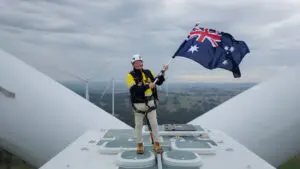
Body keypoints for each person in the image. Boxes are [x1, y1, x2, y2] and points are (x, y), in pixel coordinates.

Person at [127, 54, 168, 154]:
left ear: (142, 63)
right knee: (138, 125)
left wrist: (163, 73)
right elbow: (134, 90)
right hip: (138, 104)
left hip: (150, 102)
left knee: (154, 124)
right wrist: (148, 86)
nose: (138, 64)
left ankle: (156, 143)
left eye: (139, 62)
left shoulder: (148, 72)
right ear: (133, 64)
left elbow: (158, 82)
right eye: (136, 63)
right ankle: (139, 144)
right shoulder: (130, 75)